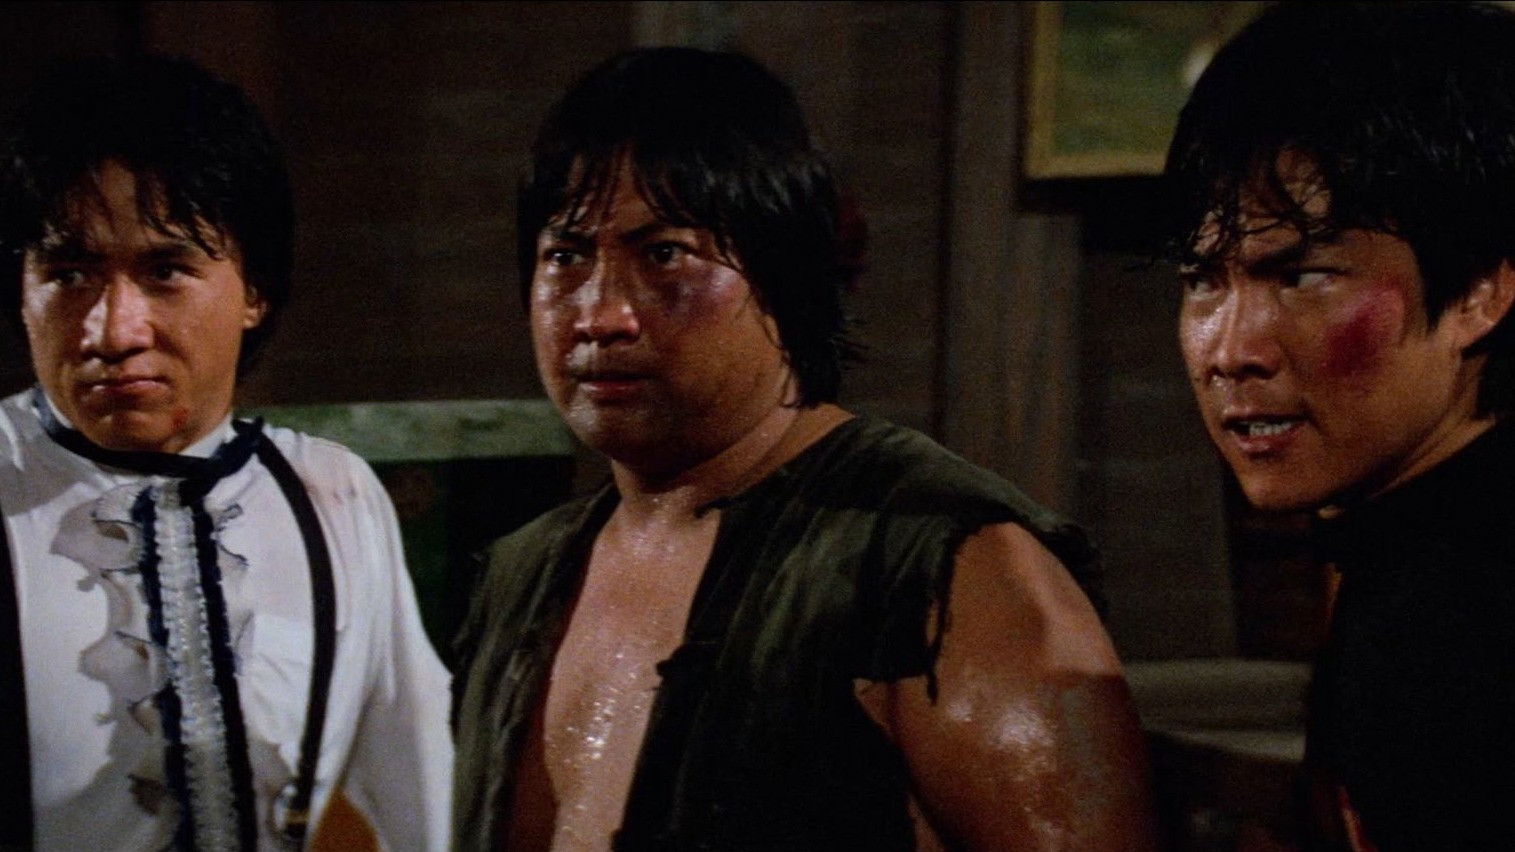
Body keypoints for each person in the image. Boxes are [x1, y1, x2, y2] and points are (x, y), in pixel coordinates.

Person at [453, 47, 1153, 851]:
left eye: (664, 254)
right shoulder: (520, 576)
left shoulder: (947, 563)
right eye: (566, 256)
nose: (600, 315)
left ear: (782, 274)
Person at [0, 56, 452, 850]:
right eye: (69, 273)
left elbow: (424, 797)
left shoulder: (329, 493)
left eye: (166, 270)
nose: (114, 330)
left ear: (254, 290)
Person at [1168, 3, 1515, 847]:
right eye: (1202, 280)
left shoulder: (1460, 617)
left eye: (1303, 277)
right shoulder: (1401, 555)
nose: (1231, 352)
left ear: (1477, 293)